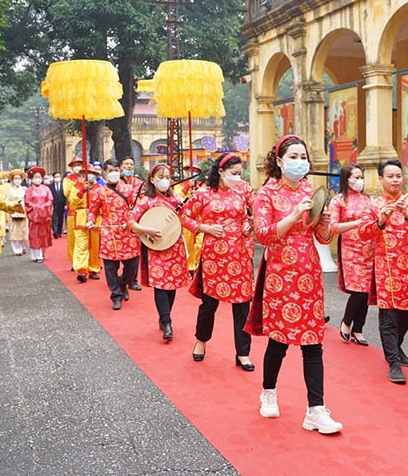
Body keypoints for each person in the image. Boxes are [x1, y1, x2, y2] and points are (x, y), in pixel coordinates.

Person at [246, 134, 342, 435]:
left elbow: (323, 238)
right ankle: (269, 391)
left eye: (304, 158)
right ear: (279, 161)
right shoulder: (265, 195)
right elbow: (263, 235)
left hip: (309, 271)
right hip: (280, 272)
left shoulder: (309, 190)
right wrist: (293, 215)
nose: (300, 163)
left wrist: (323, 219)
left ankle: (316, 409)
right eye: (294, 157)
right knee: (280, 339)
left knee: (313, 341)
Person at [184, 153, 255, 370]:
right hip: (214, 255)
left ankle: (243, 353)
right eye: (233, 174)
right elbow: (185, 217)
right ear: (221, 172)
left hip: (240, 252)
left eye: (240, 174)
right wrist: (204, 227)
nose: (237, 178)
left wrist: (249, 224)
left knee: (242, 305)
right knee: (209, 303)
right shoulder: (203, 194)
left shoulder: (244, 190)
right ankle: (201, 341)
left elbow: (258, 212)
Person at [361, 159, 408, 384]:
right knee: (388, 315)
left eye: (398, 176)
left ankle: (396, 347)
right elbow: (363, 233)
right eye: (390, 176)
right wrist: (381, 220)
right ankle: (393, 362)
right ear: (381, 179)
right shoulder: (373, 204)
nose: (395, 180)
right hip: (386, 267)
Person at [129, 163, 192, 341]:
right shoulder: (145, 201)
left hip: (174, 246)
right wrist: (147, 230)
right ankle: (166, 321)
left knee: (171, 286)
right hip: (156, 249)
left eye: (167, 177)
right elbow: (131, 223)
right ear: (152, 179)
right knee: (160, 285)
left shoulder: (176, 199)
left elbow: (187, 218)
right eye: (161, 177)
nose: (165, 181)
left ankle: (165, 316)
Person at [328, 163, 373, 346]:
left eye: (361, 177)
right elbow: (333, 227)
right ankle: (346, 322)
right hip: (350, 249)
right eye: (356, 177)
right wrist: (357, 223)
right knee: (358, 290)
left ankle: (359, 329)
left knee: (367, 292)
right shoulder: (338, 200)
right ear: (346, 179)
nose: (359, 181)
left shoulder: (368, 199)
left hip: (369, 248)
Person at [87, 159, 140, 310]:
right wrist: (90, 221)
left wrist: (129, 221)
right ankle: (116, 295)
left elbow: (136, 209)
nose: (114, 173)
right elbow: (93, 211)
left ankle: (123, 284)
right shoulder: (98, 192)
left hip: (128, 233)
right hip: (108, 234)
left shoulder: (129, 190)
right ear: (104, 173)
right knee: (110, 269)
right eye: (110, 171)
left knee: (131, 266)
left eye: (116, 170)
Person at [69, 165, 103, 282]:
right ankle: (82, 270)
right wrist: (82, 190)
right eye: (87, 173)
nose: (90, 175)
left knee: (94, 246)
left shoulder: (100, 188)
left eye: (93, 173)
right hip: (81, 218)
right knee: (81, 244)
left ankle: (94, 269)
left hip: (95, 220)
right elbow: (72, 202)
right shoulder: (77, 186)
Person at [120, 156, 144, 291]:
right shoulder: (117, 183)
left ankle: (132, 280)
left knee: (135, 251)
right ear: (121, 167)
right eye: (126, 164)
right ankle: (119, 277)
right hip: (119, 221)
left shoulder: (139, 183)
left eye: (131, 164)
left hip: (135, 220)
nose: (129, 166)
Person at [24, 166, 53, 263]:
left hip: (45, 217)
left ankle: (42, 253)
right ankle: (36, 255)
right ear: (32, 179)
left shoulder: (46, 189)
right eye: (35, 177)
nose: (38, 179)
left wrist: (45, 207)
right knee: (35, 235)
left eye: (39, 177)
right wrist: (37, 208)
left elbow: (50, 200)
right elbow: (27, 202)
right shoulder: (29, 190)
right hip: (35, 217)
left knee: (44, 235)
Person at [63, 157, 85, 267]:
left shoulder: (87, 177)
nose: (77, 167)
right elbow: (67, 193)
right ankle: (74, 260)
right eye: (75, 165)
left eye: (79, 164)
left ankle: (88, 260)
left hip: (87, 211)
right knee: (73, 237)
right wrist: (79, 187)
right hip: (73, 211)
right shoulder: (67, 180)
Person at [6, 169, 28, 256]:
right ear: (12, 180)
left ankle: (22, 246)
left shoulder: (24, 189)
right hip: (14, 212)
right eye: (16, 178)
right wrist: (14, 204)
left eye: (19, 178)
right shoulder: (10, 191)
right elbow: (7, 202)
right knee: (14, 231)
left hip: (24, 211)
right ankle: (16, 249)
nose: (17, 180)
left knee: (23, 230)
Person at [50, 171, 67, 239]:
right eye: (56, 177)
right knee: (54, 218)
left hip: (61, 204)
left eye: (58, 176)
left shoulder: (63, 185)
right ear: (53, 178)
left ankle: (59, 232)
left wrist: (66, 204)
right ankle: (55, 231)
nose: (57, 178)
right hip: (54, 205)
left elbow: (65, 195)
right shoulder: (50, 186)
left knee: (60, 218)